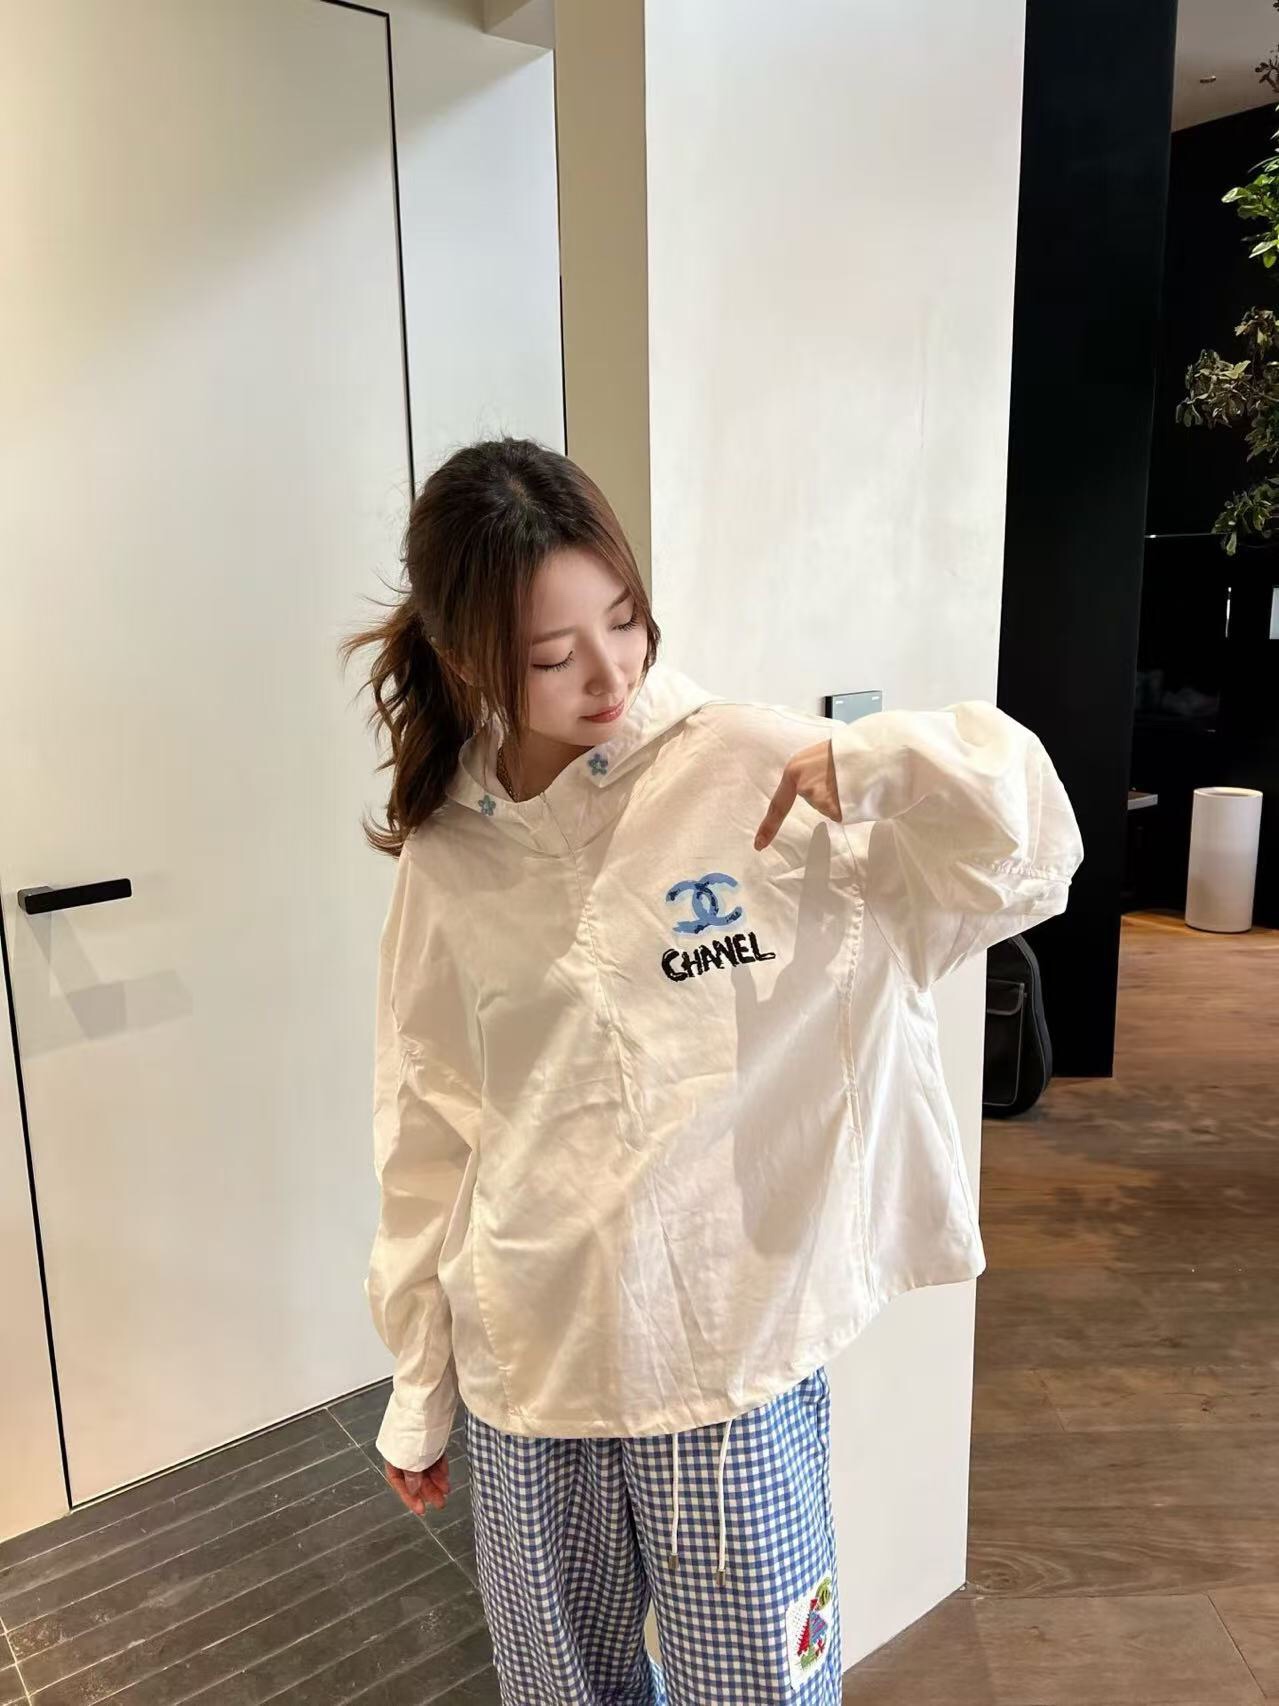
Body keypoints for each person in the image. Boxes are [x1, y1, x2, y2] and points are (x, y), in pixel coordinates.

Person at [340, 436, 1084, 1704]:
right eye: (552, 653)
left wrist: (890, 763)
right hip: (533, 1368)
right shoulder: (448, 854)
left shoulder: (745, 765)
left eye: (623, 618)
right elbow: (426, 1125)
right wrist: (421, 1384)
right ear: (468, 659)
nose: (609, 672)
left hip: (728, 1365)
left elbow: (1028, 858)